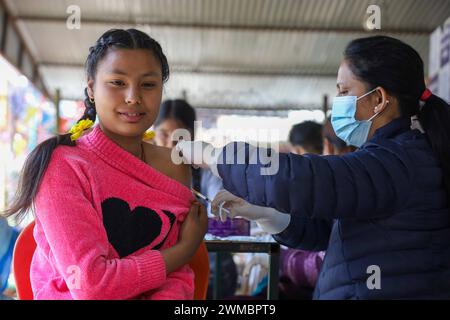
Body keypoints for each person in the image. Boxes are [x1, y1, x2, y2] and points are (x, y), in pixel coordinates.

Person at [176, 35, 450, 299]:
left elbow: (296, 179)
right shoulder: (397, 156)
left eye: (345, 91)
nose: (338, 101)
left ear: (378, 99)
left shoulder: (397, 162)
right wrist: (268, 215)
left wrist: (214, 156)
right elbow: (331, 231)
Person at [1, 29, 208, 300]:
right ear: (91, 89)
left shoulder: (174, 166)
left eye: (148, 84)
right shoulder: (63, 165)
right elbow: (91, 286)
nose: (133, 96)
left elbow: (178, 278)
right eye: (117, 82)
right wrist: (184, 249)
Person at [153, 99, 238, 299]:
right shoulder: (141, 169)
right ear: (153, 132)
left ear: (191, 137)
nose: (169, 144)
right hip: (161, 267)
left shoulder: (205, 174)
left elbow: (221, 212)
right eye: (163, 134)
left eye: (178, 137)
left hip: (210, 269)